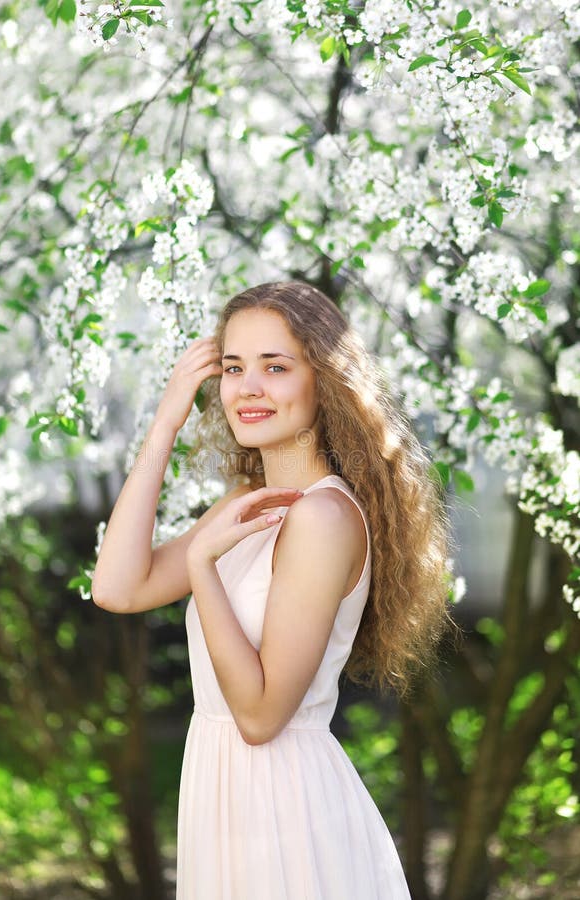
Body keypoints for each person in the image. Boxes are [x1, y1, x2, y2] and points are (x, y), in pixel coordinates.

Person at [92, 281, 451, 899]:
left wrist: (203, 568)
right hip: (226, 801)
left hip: (283, 814)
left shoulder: (323, 518)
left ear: (326, 382)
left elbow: (259, 717)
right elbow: (118, 588)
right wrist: (165, 422)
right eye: (233, 368)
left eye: (275, 367)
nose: (248, 387)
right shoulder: (248, 506)